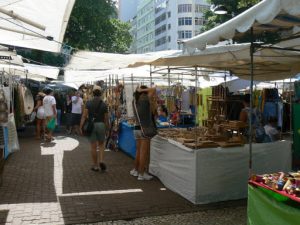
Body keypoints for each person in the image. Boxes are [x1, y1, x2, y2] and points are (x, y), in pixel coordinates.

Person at [130, 85, 157, 181]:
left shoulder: (134, 101)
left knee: (138, 151)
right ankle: (142, 173)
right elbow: (153, 89)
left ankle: (136, 170)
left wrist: (139, 91)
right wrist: (142, 89)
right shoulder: (144, 99)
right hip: (144, 128)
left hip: (137, 127)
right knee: (143, 153)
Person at [80, 86, 109, 172]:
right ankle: (101, 161)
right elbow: (106, 119)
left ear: (93, 93)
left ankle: (95, 165)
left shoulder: (88, 103)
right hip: (101, 125)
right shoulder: (104, 104)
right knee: (101, 145)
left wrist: (81, 126)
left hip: (91, 125)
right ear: (101, 94)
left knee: (93, 147)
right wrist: (107, 128)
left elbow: (84, 116)